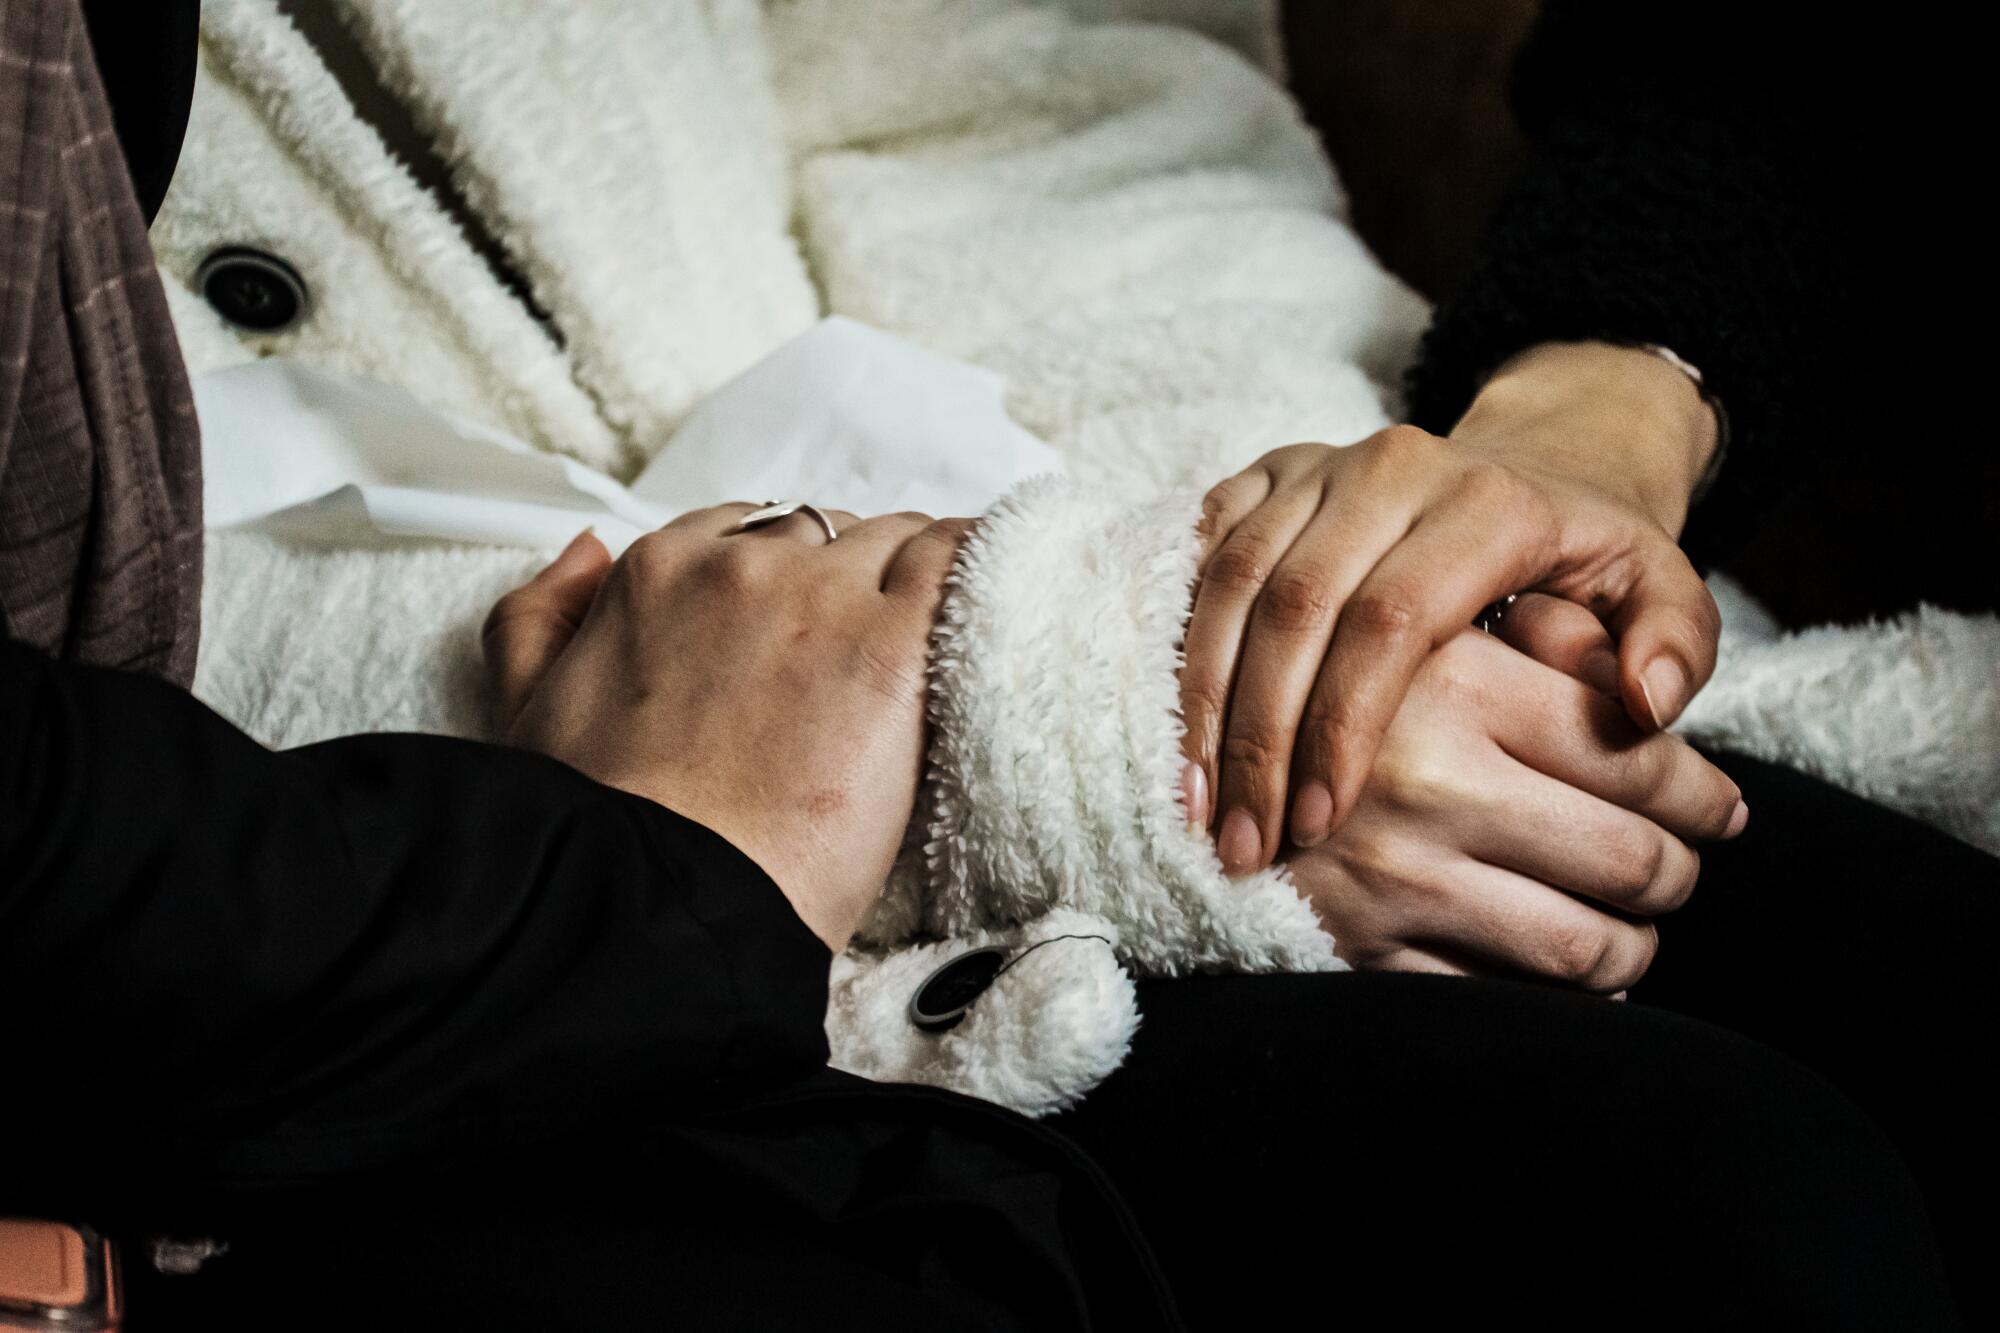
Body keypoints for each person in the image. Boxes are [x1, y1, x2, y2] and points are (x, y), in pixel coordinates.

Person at [0, 2, 1986, 1330]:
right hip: (384, 853)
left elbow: (1047, 125)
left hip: (1058, 535)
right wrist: (1063, 719)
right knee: (1722, 1222)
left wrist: (1339, 594)